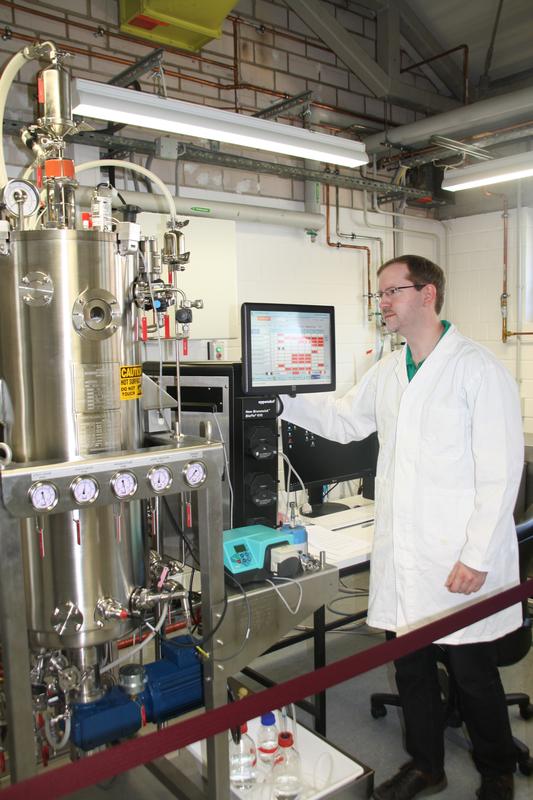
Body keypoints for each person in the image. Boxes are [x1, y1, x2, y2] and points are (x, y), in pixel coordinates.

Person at [281, 255, 524, 800]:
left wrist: (478, 556)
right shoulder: (391, 370)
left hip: (459, 556)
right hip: (407, 554)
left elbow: (502, 472)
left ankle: (497, 771)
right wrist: (281, 402)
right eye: (380, 294)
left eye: (393, 291)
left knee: (471, 673)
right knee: (411, 668)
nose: (383, 303)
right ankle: (427, 766)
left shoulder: (477, 369)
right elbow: (345, 418)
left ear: (429, 294)